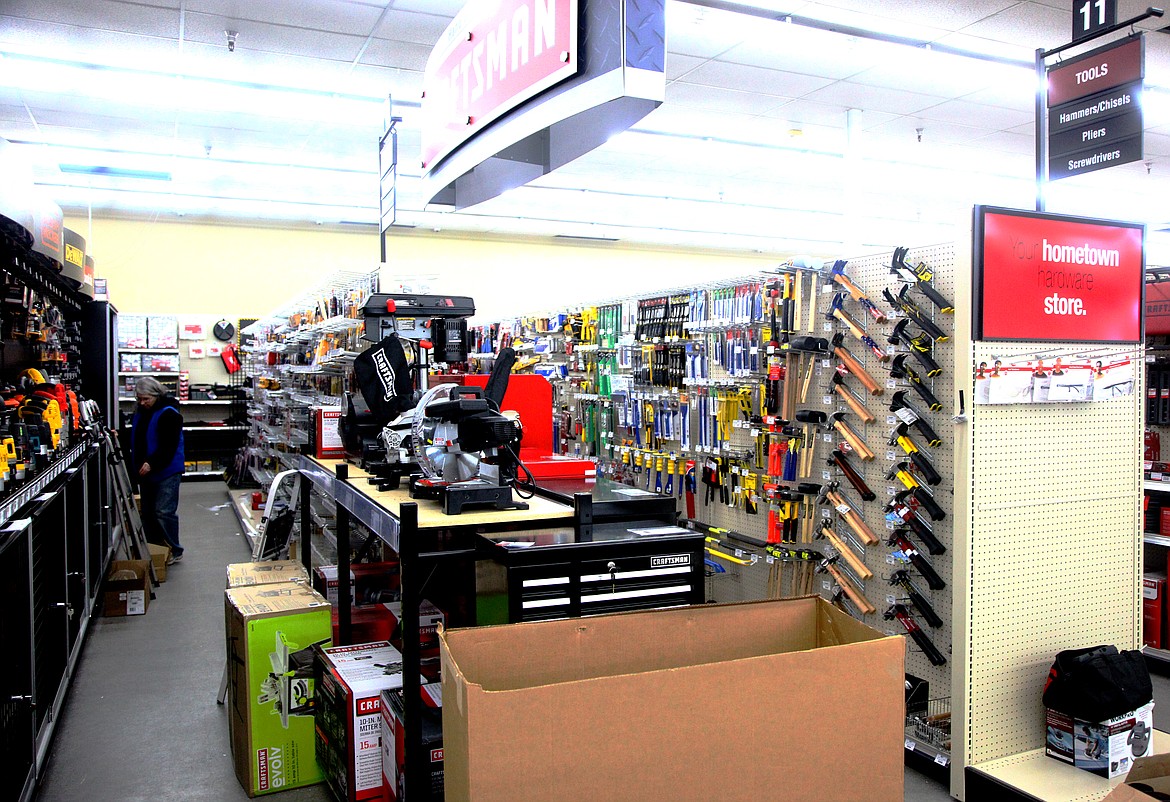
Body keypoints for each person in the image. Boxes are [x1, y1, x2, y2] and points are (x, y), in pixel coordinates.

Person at [130, 377, 185, 563]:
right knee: (148, 513)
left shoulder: (170, 414)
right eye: (139, 398)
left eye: (146, 399)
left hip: (167, 470)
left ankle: (175, 550)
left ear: (156, 395)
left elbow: (169, 445)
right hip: (146, 471)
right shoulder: (141, 412)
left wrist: (152, 462)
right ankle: (156, 550)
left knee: (163, 511)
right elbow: (138, 438)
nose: (142, 402)